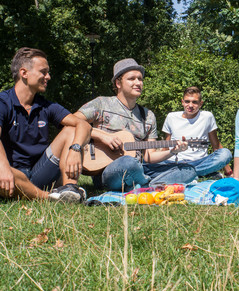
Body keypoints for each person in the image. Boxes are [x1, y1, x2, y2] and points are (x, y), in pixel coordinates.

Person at [75, 58, 196, 191]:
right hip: (108, 171)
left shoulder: (148, 115)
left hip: (139, 168)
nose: (138, 82)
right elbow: (73, 121)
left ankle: (142, 185)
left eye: (140, 79)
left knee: (188, 170)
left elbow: (150, 156)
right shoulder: (101, 104)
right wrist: (102, 136)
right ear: (118, 83)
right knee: (128, 162)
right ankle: (148, 184)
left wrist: (173, 152)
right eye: (132, 79)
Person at [0, 47, 91, 202]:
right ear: (24, 73)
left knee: (71, 130)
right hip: (13, 175)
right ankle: (49, 197)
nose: (48, 77)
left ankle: (70, 190)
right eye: (43, 71)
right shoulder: (3, 101)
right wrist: (3, 167)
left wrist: (75, 148)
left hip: (41, 172)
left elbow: (84, 125)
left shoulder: (46, 106)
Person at [161, 86, 232, 178]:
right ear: (182, 102)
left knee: (225, 154)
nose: (190, 105)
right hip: (175, 163)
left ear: (200, 103)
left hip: (200, 162)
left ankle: (188, 174)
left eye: (194, 102)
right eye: (187, 101)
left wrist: (229, 172)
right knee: (149, 160)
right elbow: (166, 146)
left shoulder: (207, 117)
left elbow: (216, 145)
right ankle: (198, 174)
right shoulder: (171, 117)